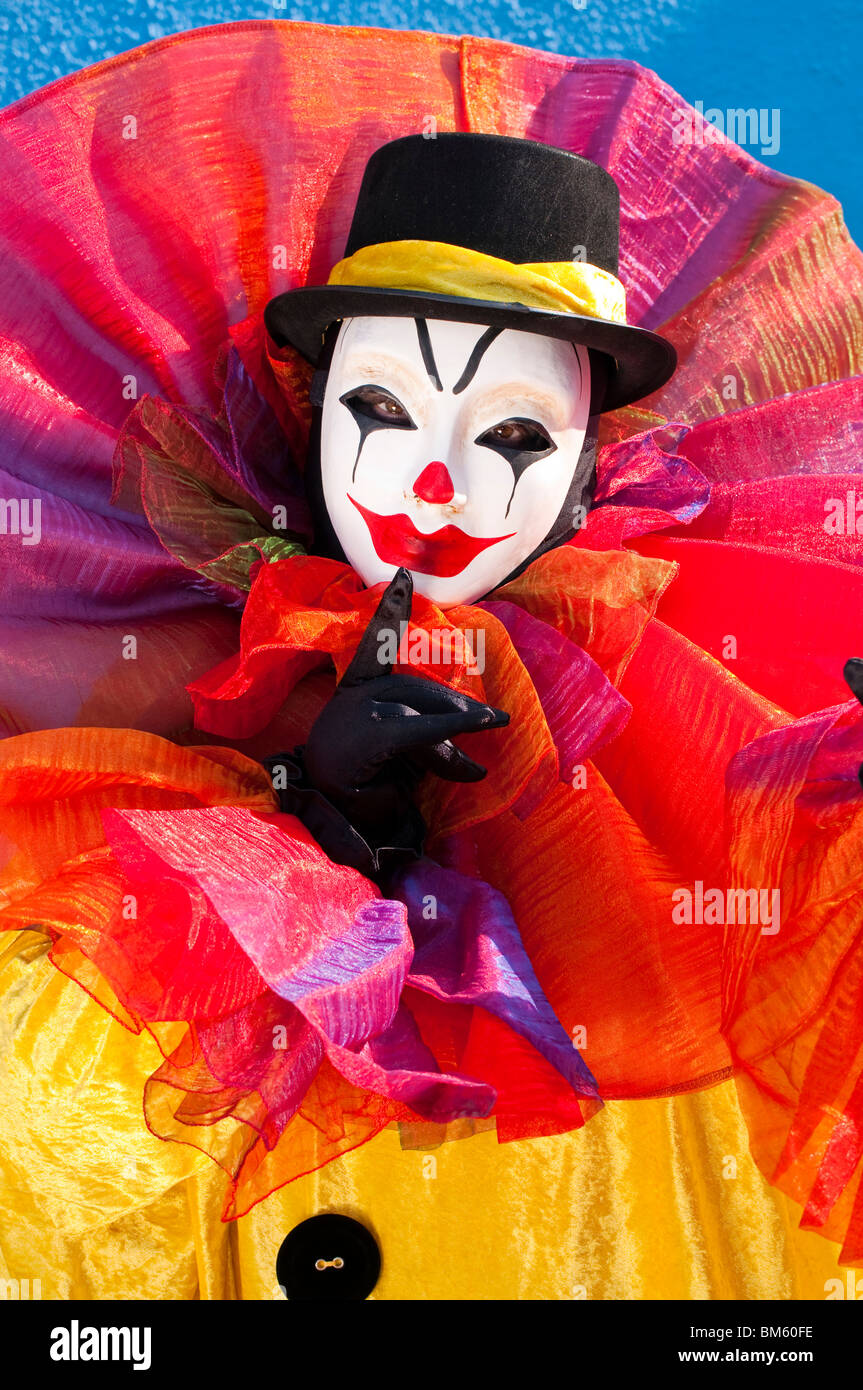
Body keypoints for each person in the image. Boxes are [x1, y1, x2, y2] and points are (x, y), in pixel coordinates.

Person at [1, 26, 862, 1301]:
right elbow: (59, 1150)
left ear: (588, 473)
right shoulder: (175, 682)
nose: (437, 479)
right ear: (308, 415)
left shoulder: (685, 697)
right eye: (384, 411)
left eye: (511, 431)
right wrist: (308, 816)